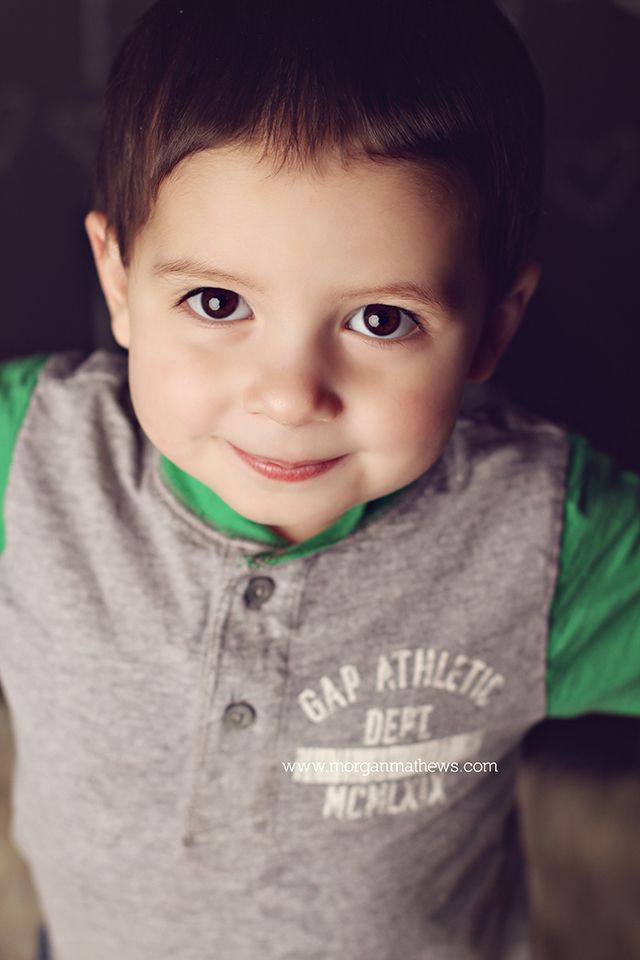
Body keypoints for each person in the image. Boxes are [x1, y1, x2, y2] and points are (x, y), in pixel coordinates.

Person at [0, 1, 638, 958]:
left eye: (381, 320)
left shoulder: (544, 536)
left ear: (492, 328)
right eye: (218, 302)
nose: (292, 396)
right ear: (120, 281)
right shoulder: (29, 459)